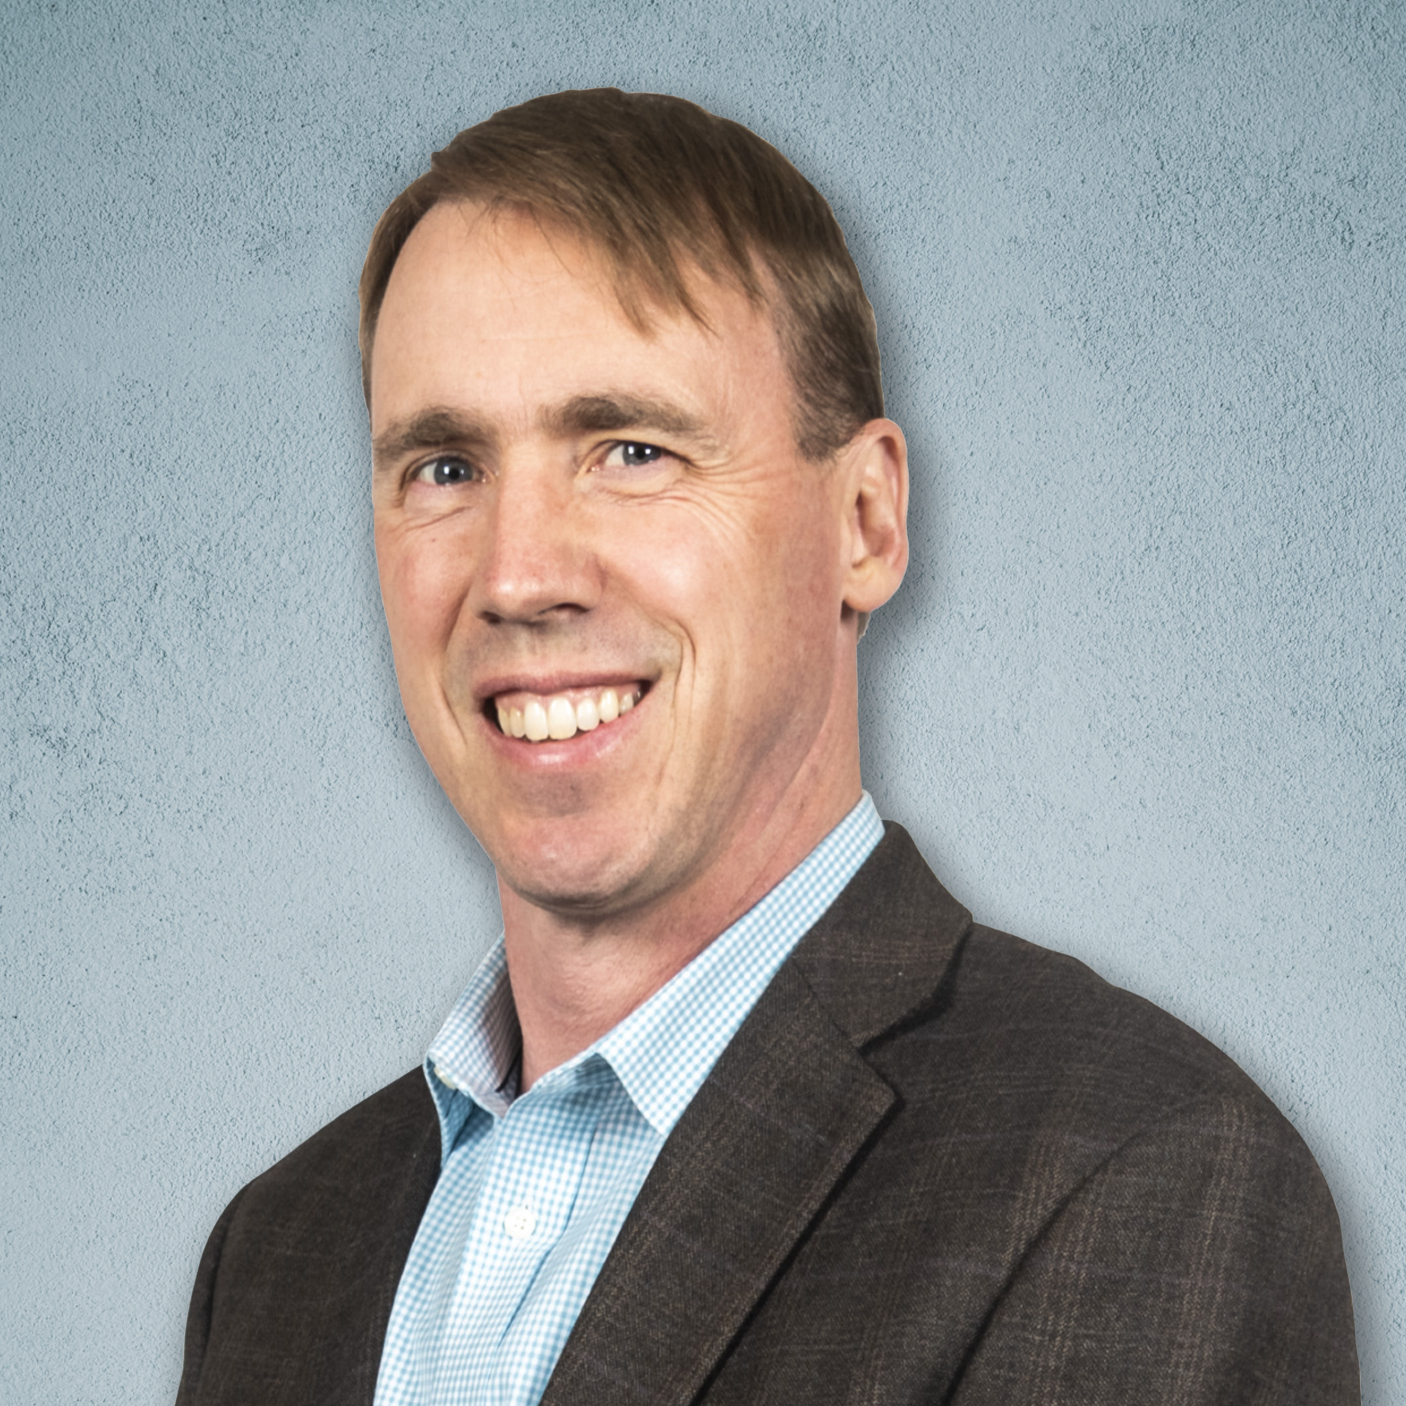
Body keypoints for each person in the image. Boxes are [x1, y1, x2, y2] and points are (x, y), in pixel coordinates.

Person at [174, 89, 1358, 1405]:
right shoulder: (282, 1248)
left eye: (630, 449)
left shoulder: (1136, 1176)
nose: (515, 575)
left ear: (864, 520)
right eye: (444, 467)